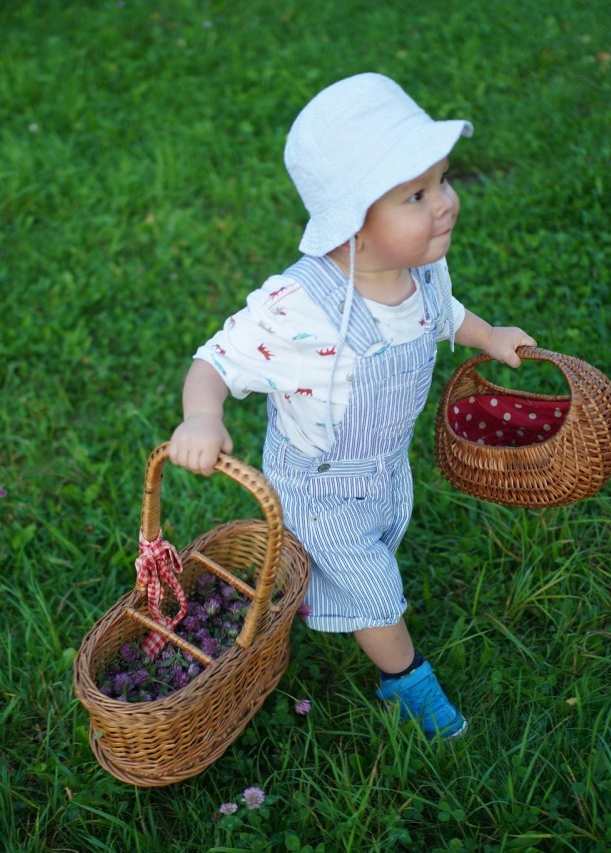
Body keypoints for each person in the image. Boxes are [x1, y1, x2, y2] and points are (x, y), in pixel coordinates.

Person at [168, 72, 536, 739]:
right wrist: (203, 415)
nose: (446, 204)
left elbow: (440, 313)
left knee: (373, 555)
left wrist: (488, 336)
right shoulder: (300, 308)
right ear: (352, 224)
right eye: (416, 195)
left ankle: (307, 596)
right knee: (374, 593)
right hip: (321, 491)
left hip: (385, 472)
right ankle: (408, 683)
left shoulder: (418, 274)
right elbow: (215, 360)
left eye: (444, 180)